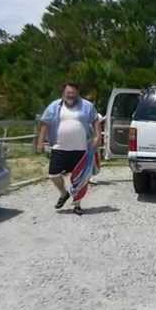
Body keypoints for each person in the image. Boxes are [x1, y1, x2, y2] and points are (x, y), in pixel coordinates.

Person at [37, 83, 101, 215]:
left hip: (81, 148)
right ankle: (64, 193)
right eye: (68, 93)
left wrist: (97, 137)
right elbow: (45, 123)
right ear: (63, 93)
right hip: (59, 147)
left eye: (73, 93)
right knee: (53, 175)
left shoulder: (86, 106)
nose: (71, 95)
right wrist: (40, 141)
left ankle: (77, 205)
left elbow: (95, 121)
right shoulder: (54, 106)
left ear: (77, 93)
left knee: (80, 179)